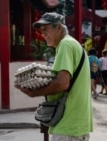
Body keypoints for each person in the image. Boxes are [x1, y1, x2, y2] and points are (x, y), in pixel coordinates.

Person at [14, 12, 92, 141]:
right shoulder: (73, 44)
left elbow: (62, 83)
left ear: (59, 28)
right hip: (75, 124)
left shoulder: (65, 45)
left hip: (68, 124)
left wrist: (34, 92)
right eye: (41, 30)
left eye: (46, 29)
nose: (43, 33)